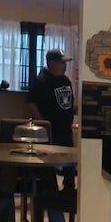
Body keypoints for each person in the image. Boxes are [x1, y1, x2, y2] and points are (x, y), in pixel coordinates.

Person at [27, 48, 76, 188]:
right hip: (51, 132)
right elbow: (30, 104)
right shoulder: (41, 81)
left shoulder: (65, 80)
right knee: (48, 168)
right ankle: (49, 197)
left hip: (65, 130)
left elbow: (67, 102)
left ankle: (68, 194)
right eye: (62, 62)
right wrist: (44, 125)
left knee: (70, 165)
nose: (65, 65)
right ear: (51, 63)